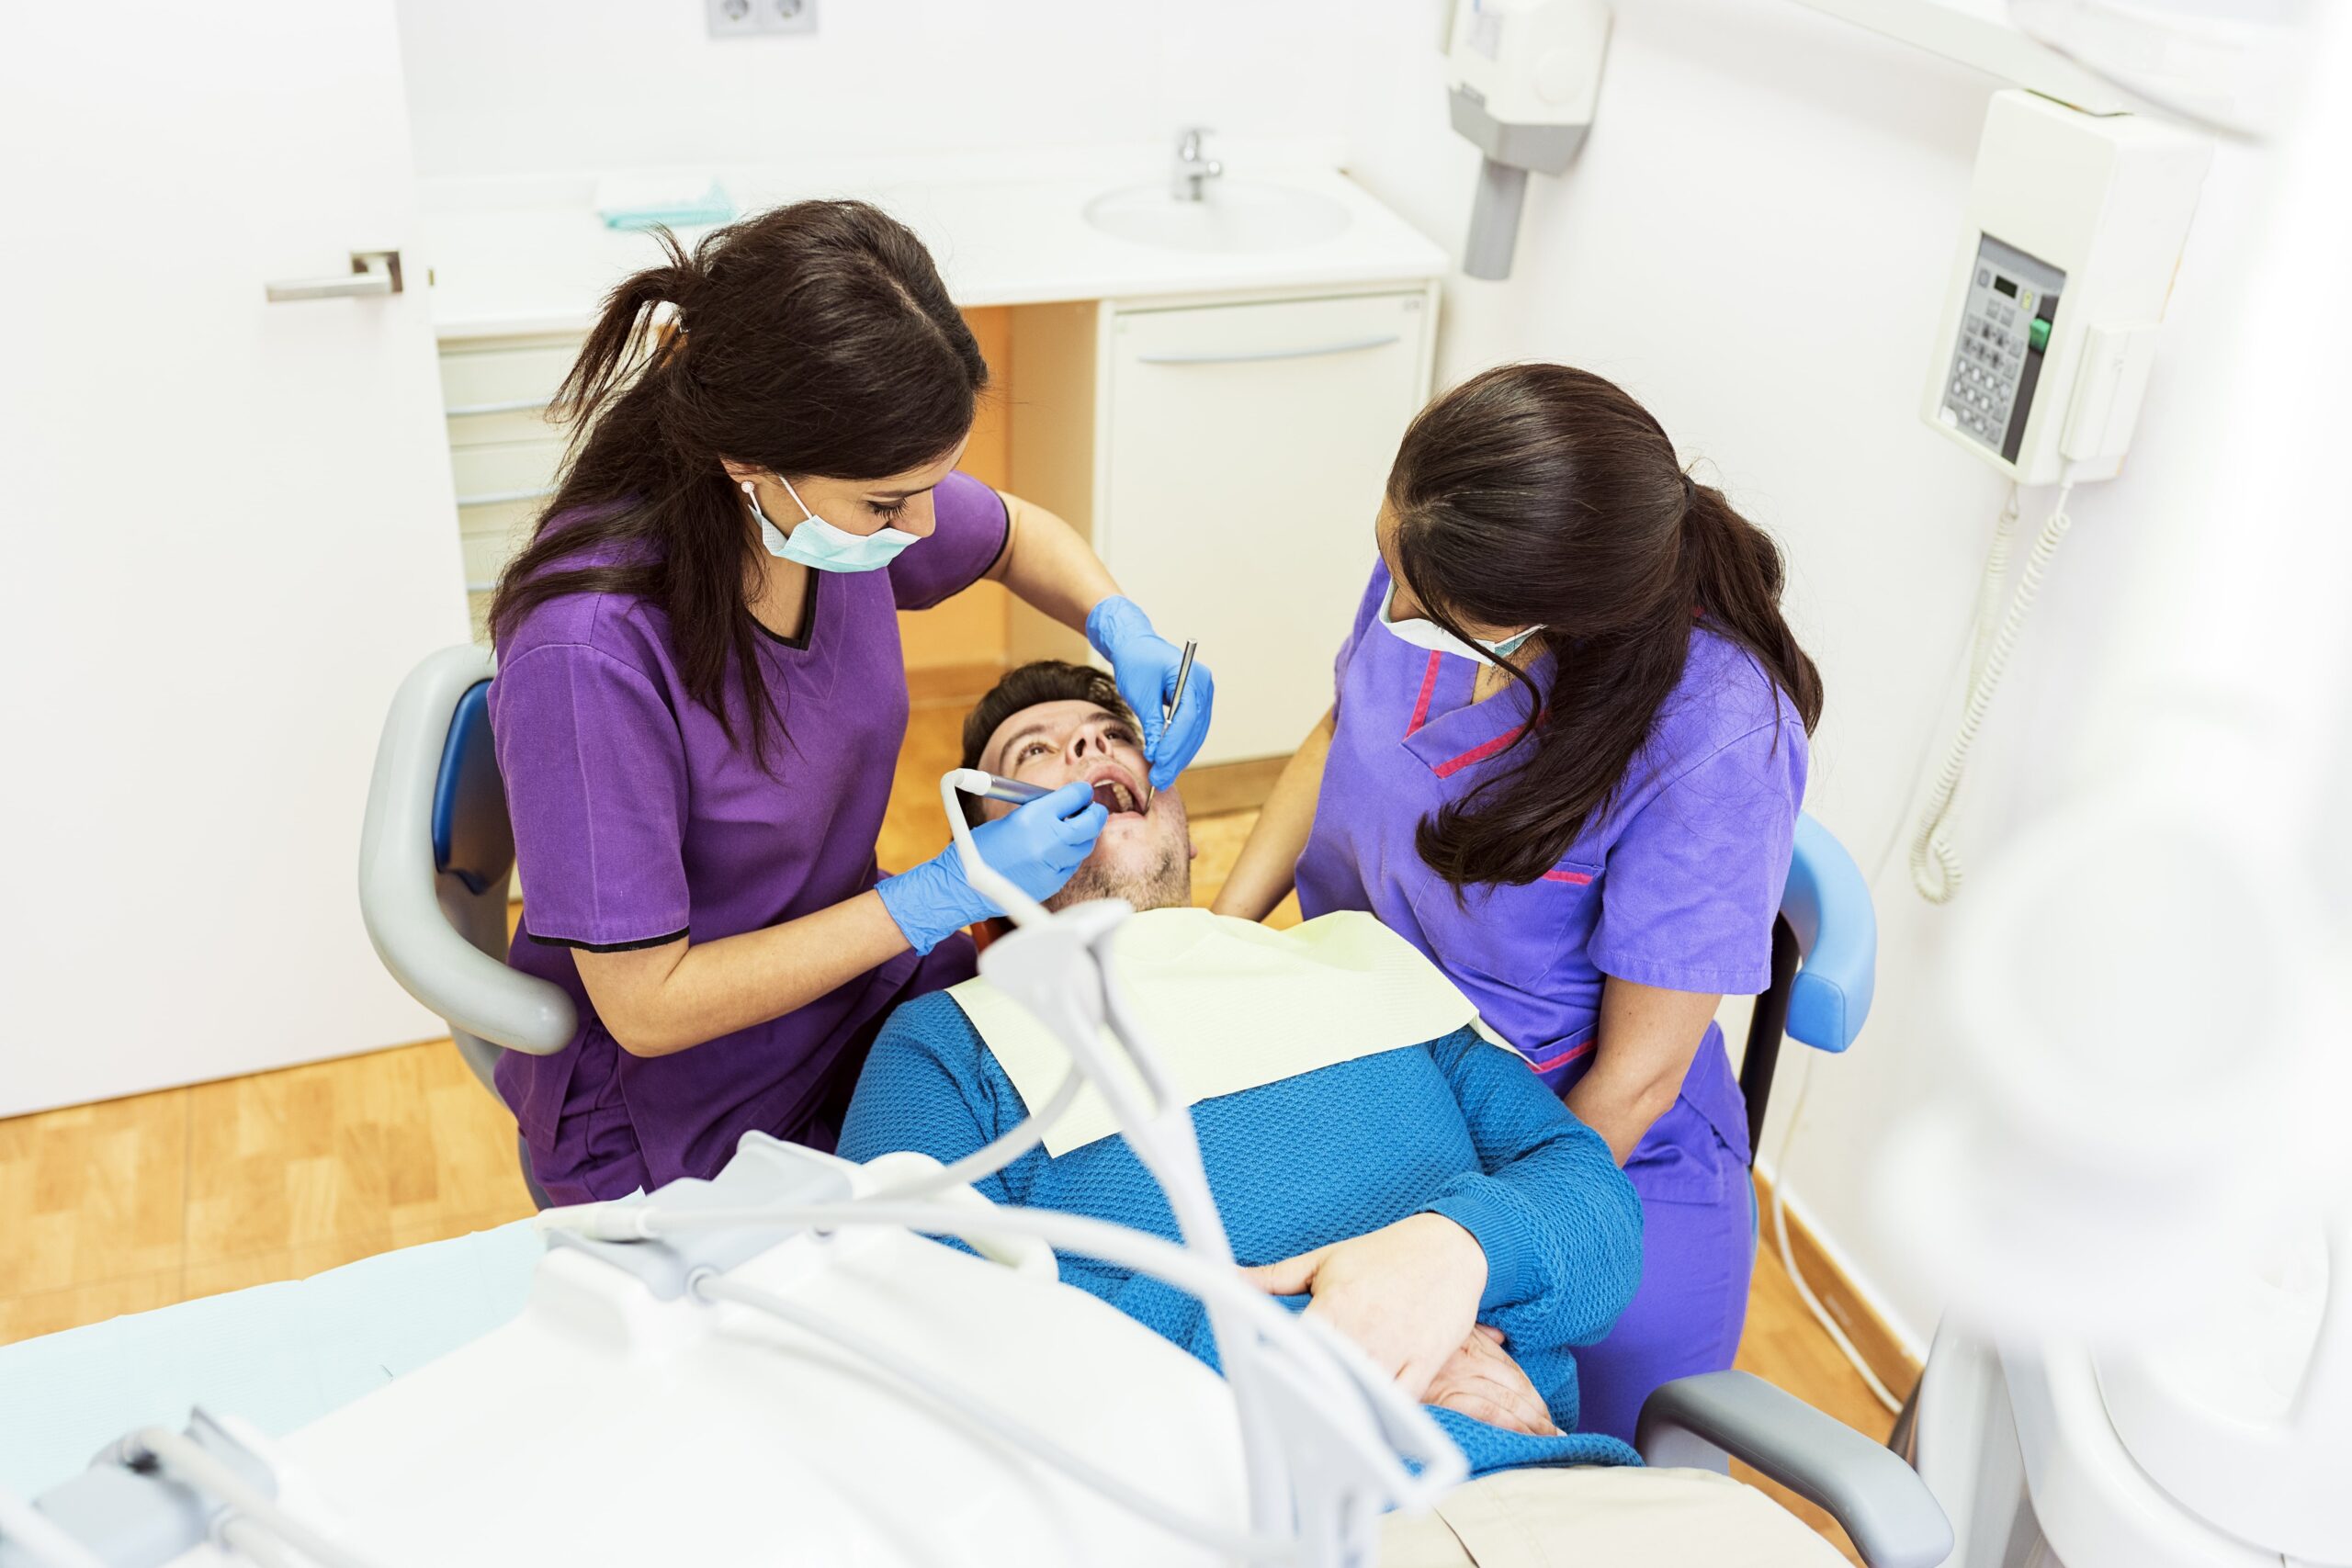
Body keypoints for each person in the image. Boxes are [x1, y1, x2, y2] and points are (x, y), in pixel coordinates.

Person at [485, 201, 1213, 1205]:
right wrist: (939, 894)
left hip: (859, 999)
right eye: (885, 504)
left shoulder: (825, 514)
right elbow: (648, 1006)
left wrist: (1118, 622)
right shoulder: (588, 657)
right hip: (679, 1107)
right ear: (745, 461)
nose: (919, 530)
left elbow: (1011, 537)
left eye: (930, 488)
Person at [835, 660, 1645, 1476]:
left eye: (1116, 735)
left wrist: (1455, 1255)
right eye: (1033, 754)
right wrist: (1345, 1344)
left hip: (1544, 1481)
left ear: (1189, 830)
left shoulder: (1358, 958)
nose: (1088, 742)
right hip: (1223, 1513)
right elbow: (909, 1315)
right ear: (980, 866)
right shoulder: (948, 1045)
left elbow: (1598, 1210)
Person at [1212, 364, 1821, 1443]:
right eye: (1388, 566)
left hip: (1582, 1138)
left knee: (1569, 1457)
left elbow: (1635, 1081)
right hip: (1374, 1064)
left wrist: (1479, 1245)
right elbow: (1336, 731)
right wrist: (1208, 940)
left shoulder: (1715, 734)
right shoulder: (1439, 556)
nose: (1395, 610)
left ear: (1556, 616)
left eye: (1424, 603)